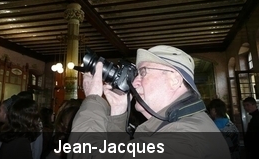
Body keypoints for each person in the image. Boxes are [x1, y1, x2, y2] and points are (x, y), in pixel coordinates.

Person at [68, 45, 231, 159]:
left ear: (174, 80)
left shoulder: (187, 137)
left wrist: (93, 99)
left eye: (143, 72)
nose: (135, 82)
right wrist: (118, 114)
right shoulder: (175, 124)